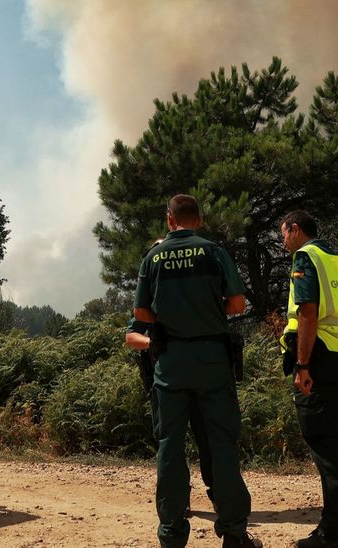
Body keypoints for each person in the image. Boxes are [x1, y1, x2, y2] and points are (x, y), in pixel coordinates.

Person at [134, 195, 260, 548]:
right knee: (221, 445)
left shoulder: (153, 257)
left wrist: (170, 316)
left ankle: (172, 536)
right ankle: (234, 533)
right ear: (198, 220)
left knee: (170, 449)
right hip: (212, 362)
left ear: (169, 220)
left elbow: (141, 314)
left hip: (171, 364)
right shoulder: (213, 251)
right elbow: (237, 304)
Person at [281, 210, 338, 548]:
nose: (283, 241)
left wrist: (302, 365)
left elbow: (307, 311)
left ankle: (335, 533)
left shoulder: (306, 256)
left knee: (325, 442)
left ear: (295, 229)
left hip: (318, 358)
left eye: (284, 234)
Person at [126, 311, 214, 504]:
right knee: (170, 444)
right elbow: (131, 336)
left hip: (202, 381)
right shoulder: (152, 298)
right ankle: (178, 500)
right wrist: (152, 343)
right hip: (165, 384)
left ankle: (219, 494)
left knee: (210, 440)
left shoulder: (198, 294)